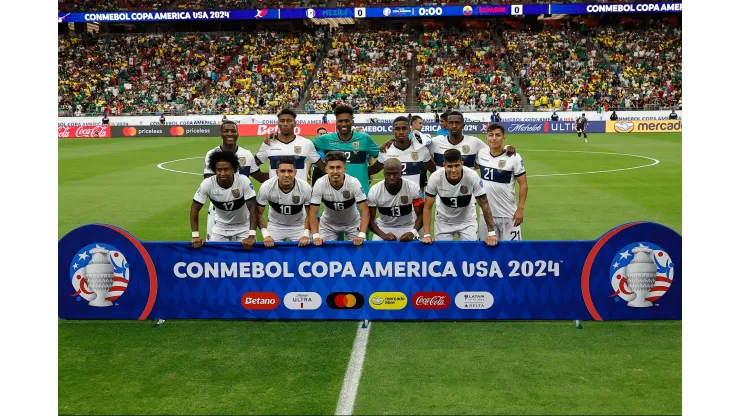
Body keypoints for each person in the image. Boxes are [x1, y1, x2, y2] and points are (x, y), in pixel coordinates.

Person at [264, 105, 378, 195]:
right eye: (340, 121)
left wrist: (368, 171)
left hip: (360, 191)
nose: (343, 124)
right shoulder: (325, 140)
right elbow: (301, 145)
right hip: (334, 192)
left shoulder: (364, 138)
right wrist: (278, 136)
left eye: (347, 120)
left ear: (352, 121)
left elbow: (382, 156)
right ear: (336, 122)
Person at [204, 121, 268, 241]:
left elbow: (259, 177)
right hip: (219, 209)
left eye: (233, 131)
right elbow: (208, 180)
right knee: (214, 250)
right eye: (226, 131)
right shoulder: (212, 154)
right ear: (221, 133)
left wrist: (279, 172)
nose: (230, 134)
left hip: (242, 210)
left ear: (238, 133)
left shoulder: (246, 154)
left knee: (244, 250)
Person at [421, 149, 498, 245]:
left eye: (457, 166)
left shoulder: (472, 176)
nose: (453, 170)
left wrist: (491, 233)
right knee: (443, 253)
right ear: (444, 164)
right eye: (450, 166)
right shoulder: (435, 178)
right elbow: (427, 208)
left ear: (462, 163)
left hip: (467, 221)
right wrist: (427, 234)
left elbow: (484, 204)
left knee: (470, 253)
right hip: (444, 221)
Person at [190, 151, 259, 250]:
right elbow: (194, 209)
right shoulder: (207, 184)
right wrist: (195, 235)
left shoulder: (243, 181)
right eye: (219, 170)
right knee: (215, 259)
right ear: (215, 170)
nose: (222, 173)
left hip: (243, 226)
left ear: (234, 169)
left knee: (246, 259)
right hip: (220, 227)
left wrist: (251, 235)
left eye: (226, 169)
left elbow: (253, 209)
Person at [475, 123, 528, 241]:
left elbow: (523, 184)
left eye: (498, 135)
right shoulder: (481, 154)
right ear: (486, 137)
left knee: (513, 252)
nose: (494, 138)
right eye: (491, 135)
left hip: (509, 215)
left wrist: (520, 209)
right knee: (487, 253)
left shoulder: (514, 157)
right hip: (486, 215)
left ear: (504, 137)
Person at [308, 151, 370, 247]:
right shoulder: (320, 184)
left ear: (344, 168)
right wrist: (316, 236)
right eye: (332, 168)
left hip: (352, 223)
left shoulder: (354, 183)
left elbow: (365, 211)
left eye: (339, 167)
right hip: (328, 224)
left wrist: (361, 235)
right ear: (326, 169)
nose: (335, 171)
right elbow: (312, 212)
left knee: (359, 250)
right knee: (324, 251)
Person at [256, 157, 313, 247]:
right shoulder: (267, 186)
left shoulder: (305, 188)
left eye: (290, 171)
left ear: (295, 172)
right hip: (275, 226)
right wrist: (266, 235)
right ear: (277, 172)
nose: (286, 175)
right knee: (272, 256)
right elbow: (258, 213)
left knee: (303, 255)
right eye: (282, 171)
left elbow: (311, 213)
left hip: (298, 225)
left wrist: (306, 234)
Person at [257, 108, 324, 181]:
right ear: (278, 124)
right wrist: (264, 178)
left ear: (295, 123)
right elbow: (253, 165)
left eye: (289, 120)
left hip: (300, 191)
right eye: (282, 121)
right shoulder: (268, 143)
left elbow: (323, 167)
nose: (285, 124)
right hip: (275, 191)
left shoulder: (306, 143)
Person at [367, 158, 424, 242]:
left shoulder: (412, 187)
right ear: (383, 173)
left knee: (415, 253)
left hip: (407, 227)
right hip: (384, 227)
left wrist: (413, 232)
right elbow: (369, 219)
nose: (391, 177)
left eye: (395, 174)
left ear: (401, 173)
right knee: (377, 252)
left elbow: (421, 215)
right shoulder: (374, 190)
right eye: (388, 174)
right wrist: (383, 235)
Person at [368, 116, 436, 185]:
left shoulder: (421, 150)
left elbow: (435, 171)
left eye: (404, 128)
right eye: (397, 129)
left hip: (414, 194)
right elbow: (373, 169)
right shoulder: (386, 150)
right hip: (392, 194)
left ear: (409, 130)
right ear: (393, 131)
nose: (401, 132)